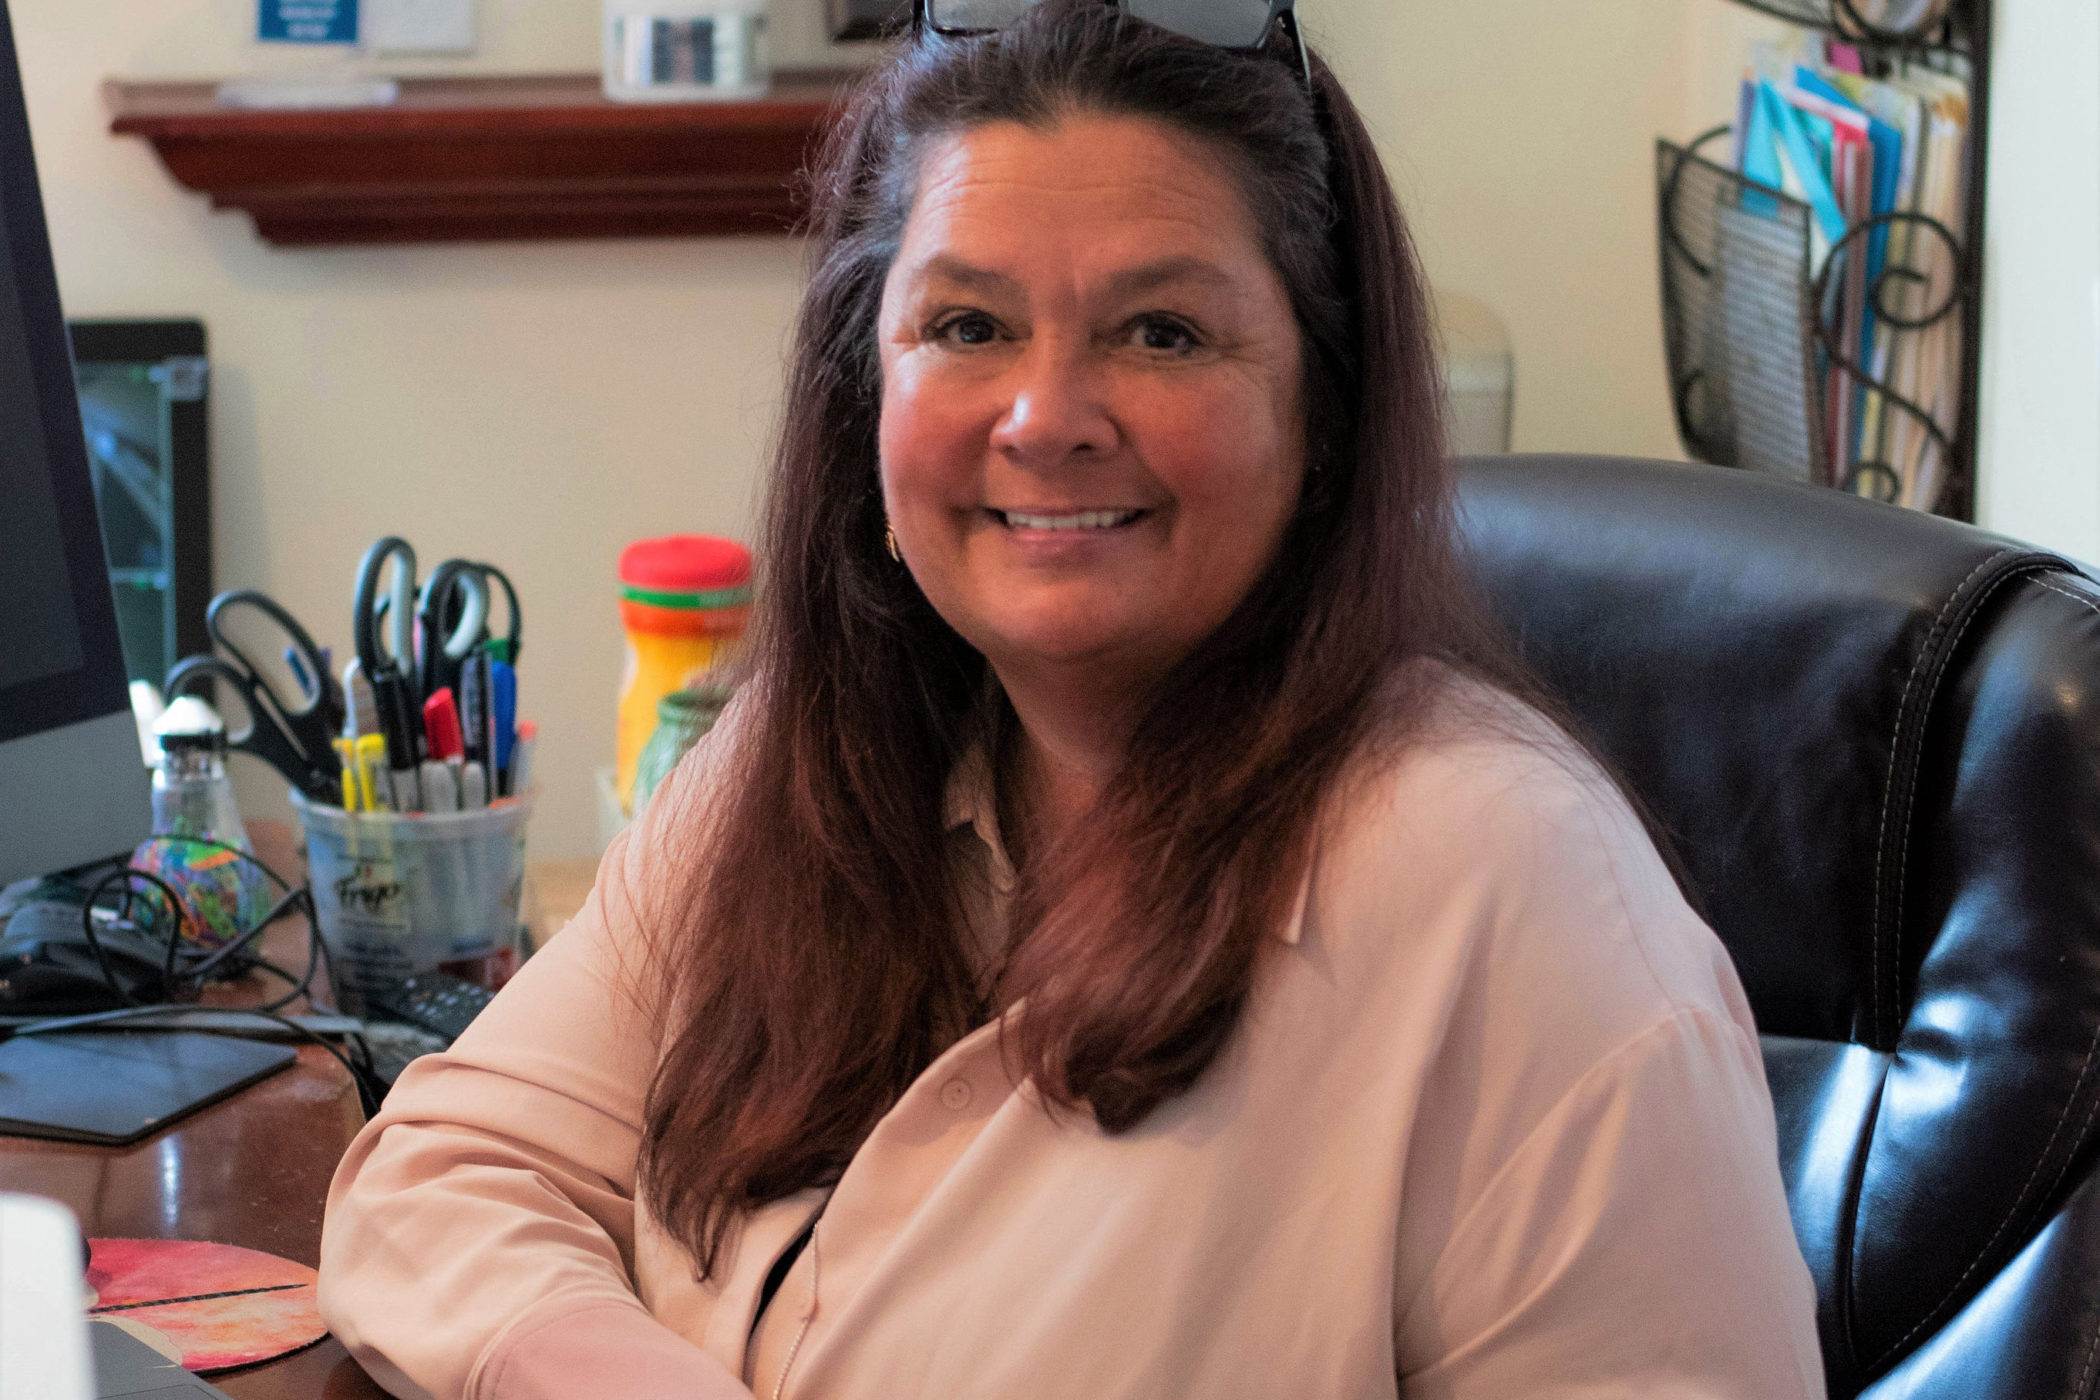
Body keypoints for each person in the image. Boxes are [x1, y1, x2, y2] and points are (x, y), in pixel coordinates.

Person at [319, 3, 1826, 1396]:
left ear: (1325, 408)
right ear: (868, 391)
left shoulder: (1521, 906)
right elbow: (445, 1174)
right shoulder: (819, 755)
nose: (1046, 419)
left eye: (1161, 332)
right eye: (967, 328)